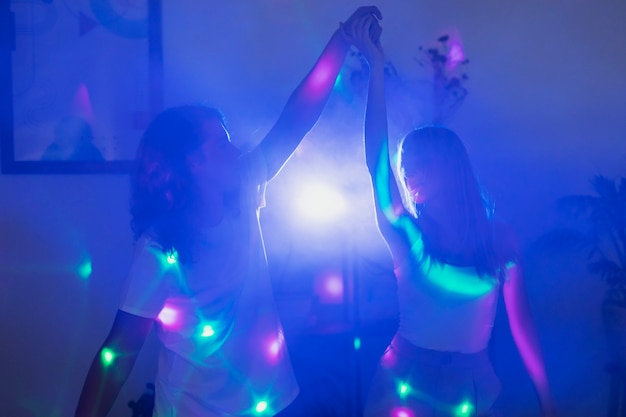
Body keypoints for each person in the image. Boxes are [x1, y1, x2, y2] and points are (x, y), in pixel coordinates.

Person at [73, 6, 382, 417]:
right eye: (220, 144)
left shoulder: (244, 187)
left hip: (272, 404)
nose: (235, 150)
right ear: (192, 166)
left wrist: (342, 40)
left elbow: (297, 115)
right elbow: (119, 352)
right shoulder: (159, 252)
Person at [347, 15, 558, 417]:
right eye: (405, 164)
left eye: (418, 163)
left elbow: (522, 322)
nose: (407, 174)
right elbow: (375, 158)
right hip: (403, 384)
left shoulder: (500, 239)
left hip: (472, 388)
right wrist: (375, 65)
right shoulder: (407, 235)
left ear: (449, 168)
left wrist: (546, 395)